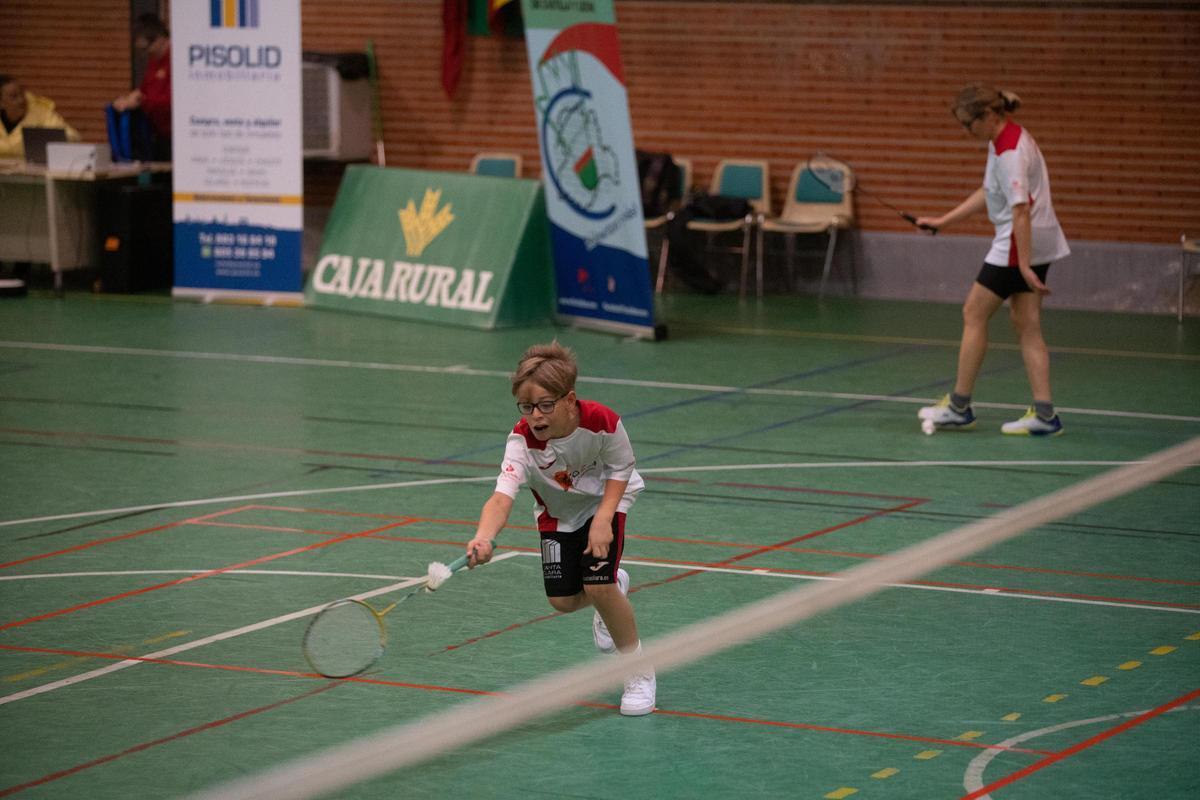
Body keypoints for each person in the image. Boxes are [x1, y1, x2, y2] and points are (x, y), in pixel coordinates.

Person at [464, 341, 657, 716]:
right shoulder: (522, 442)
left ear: (569, 399)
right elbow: (501, 497)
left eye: (545, 405)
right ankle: (613, 589)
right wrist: (484, 537)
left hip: (607, 499)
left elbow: (621, 468)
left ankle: (638, 671)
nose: (535, 416)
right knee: (563, 601)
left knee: (597, 584)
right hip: (559, 514)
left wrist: (603, 519)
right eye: (526, 406)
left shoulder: (601, 421)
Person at [915, 85, 1071, 436]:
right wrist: (943, 221)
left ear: (987, 116)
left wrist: (1024, 265)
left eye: (968, 124)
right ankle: (1045, 415)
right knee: (1026, 322)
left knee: (974, 312)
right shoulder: (1005, 139)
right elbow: (990, 193)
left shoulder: (1010, 151)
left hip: (1019, 242)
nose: (965, 131)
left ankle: (959, 407)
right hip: (1037, 237)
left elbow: (1020, 211)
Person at [112, 13, 171, 160]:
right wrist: (130, 98)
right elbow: (146, 88)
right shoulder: (154, 60)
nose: (145, 54)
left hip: (176, 134)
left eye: (146, 48)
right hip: (159, 135)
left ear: (160, 39)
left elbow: (170, 101)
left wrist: (141, 101)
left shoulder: (176, 59)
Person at [0, 74, 81, 160]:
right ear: (1, 103)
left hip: (30, 167)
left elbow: (72, 136)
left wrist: (46, 138)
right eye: (14, 96)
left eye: (22, 93)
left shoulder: (42, 113)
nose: (21, 100)